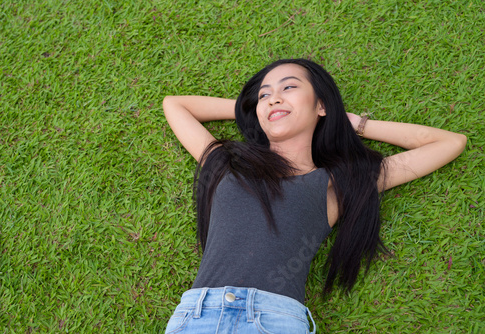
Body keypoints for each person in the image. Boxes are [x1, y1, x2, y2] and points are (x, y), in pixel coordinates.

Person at [161, 59, 466, 333]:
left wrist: (357, 124)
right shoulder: (227, 164)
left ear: (322, 105)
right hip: (198, 315)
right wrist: (252, 108)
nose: (274, 97)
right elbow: (175, 105)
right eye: (264, 94)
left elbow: (449, 142)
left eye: (289, 87)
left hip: (273, 321)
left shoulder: (336, 184)